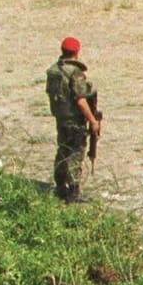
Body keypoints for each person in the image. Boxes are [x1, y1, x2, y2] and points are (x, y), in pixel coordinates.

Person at [45, 37, 100, 203]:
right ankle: (74, 191)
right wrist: (92, 120)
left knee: (63, 150)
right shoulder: (75, 73)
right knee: (76, 153)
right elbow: (80, 100)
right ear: (76, 51)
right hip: (74, 119)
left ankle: (60, 186)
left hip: (61, 117)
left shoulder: (53, 70)